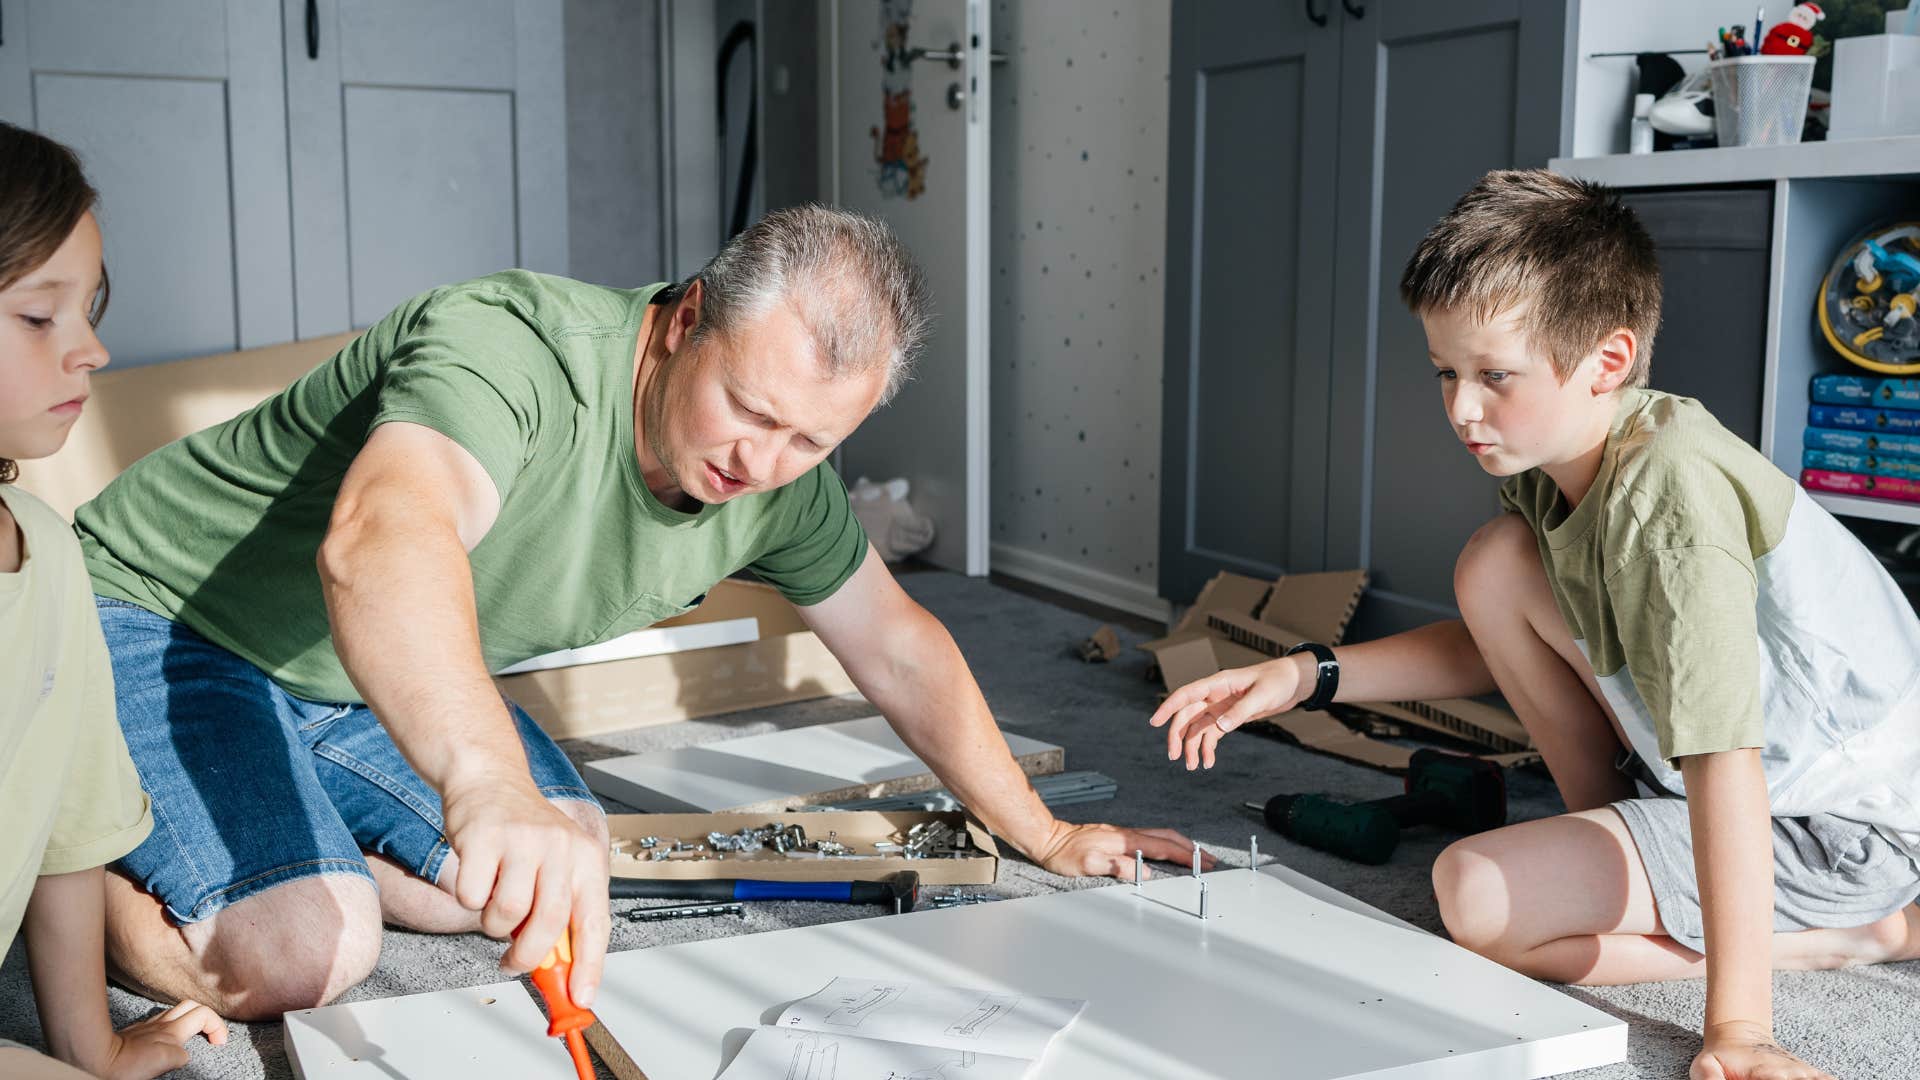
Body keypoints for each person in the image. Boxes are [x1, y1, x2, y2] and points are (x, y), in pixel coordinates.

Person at [75, 203, 1208, 1021]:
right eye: (748, 409)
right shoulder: (510, 348)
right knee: (305, 958)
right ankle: (74, 868)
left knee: (555, 870)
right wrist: (484, 783)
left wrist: (1046, 833)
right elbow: (381, 544)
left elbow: (900, 647)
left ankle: (284, 822)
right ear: (683, 320)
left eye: (810, 441)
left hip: (351, 673)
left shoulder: (782, 490)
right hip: (169, 619)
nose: (761, 463)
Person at [1148, 170, 1920, 1080]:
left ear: (1608, 360)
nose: (1461, 410)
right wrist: (1300, 674)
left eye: (1493, 376)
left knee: (1475, 899)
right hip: (1734, 776)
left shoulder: (1671, 498)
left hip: (1840, 826)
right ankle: (1621, 841)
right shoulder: (1561, 457)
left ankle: (1865, 933)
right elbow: (1492, 641)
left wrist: (1740, 1031)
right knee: (1495, 563)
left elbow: (1727, 764)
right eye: (1446, 372)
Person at [0, 122, 229, 1079]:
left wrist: (91, 1049)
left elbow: (73, 829)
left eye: (88, 308)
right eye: (37, 315)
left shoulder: (49, 554)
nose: (91, 349)